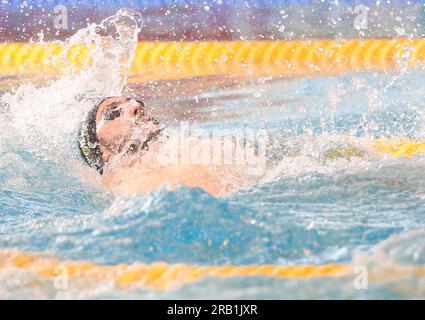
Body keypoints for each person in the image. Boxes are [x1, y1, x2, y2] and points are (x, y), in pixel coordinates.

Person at [78, 96, 260, 196]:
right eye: (113, 112)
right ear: (104, 155)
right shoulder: (129, 184)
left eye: (131, 100)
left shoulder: (181, 152)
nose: (136, 104)